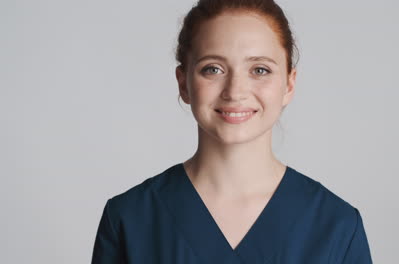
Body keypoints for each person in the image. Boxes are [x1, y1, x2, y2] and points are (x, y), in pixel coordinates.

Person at [91, 0, 373, 263]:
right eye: (213, 69)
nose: (235, 91)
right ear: (183, 83)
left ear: (289, 84)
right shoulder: (130, 219)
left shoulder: (337, 226)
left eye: (260, 70)